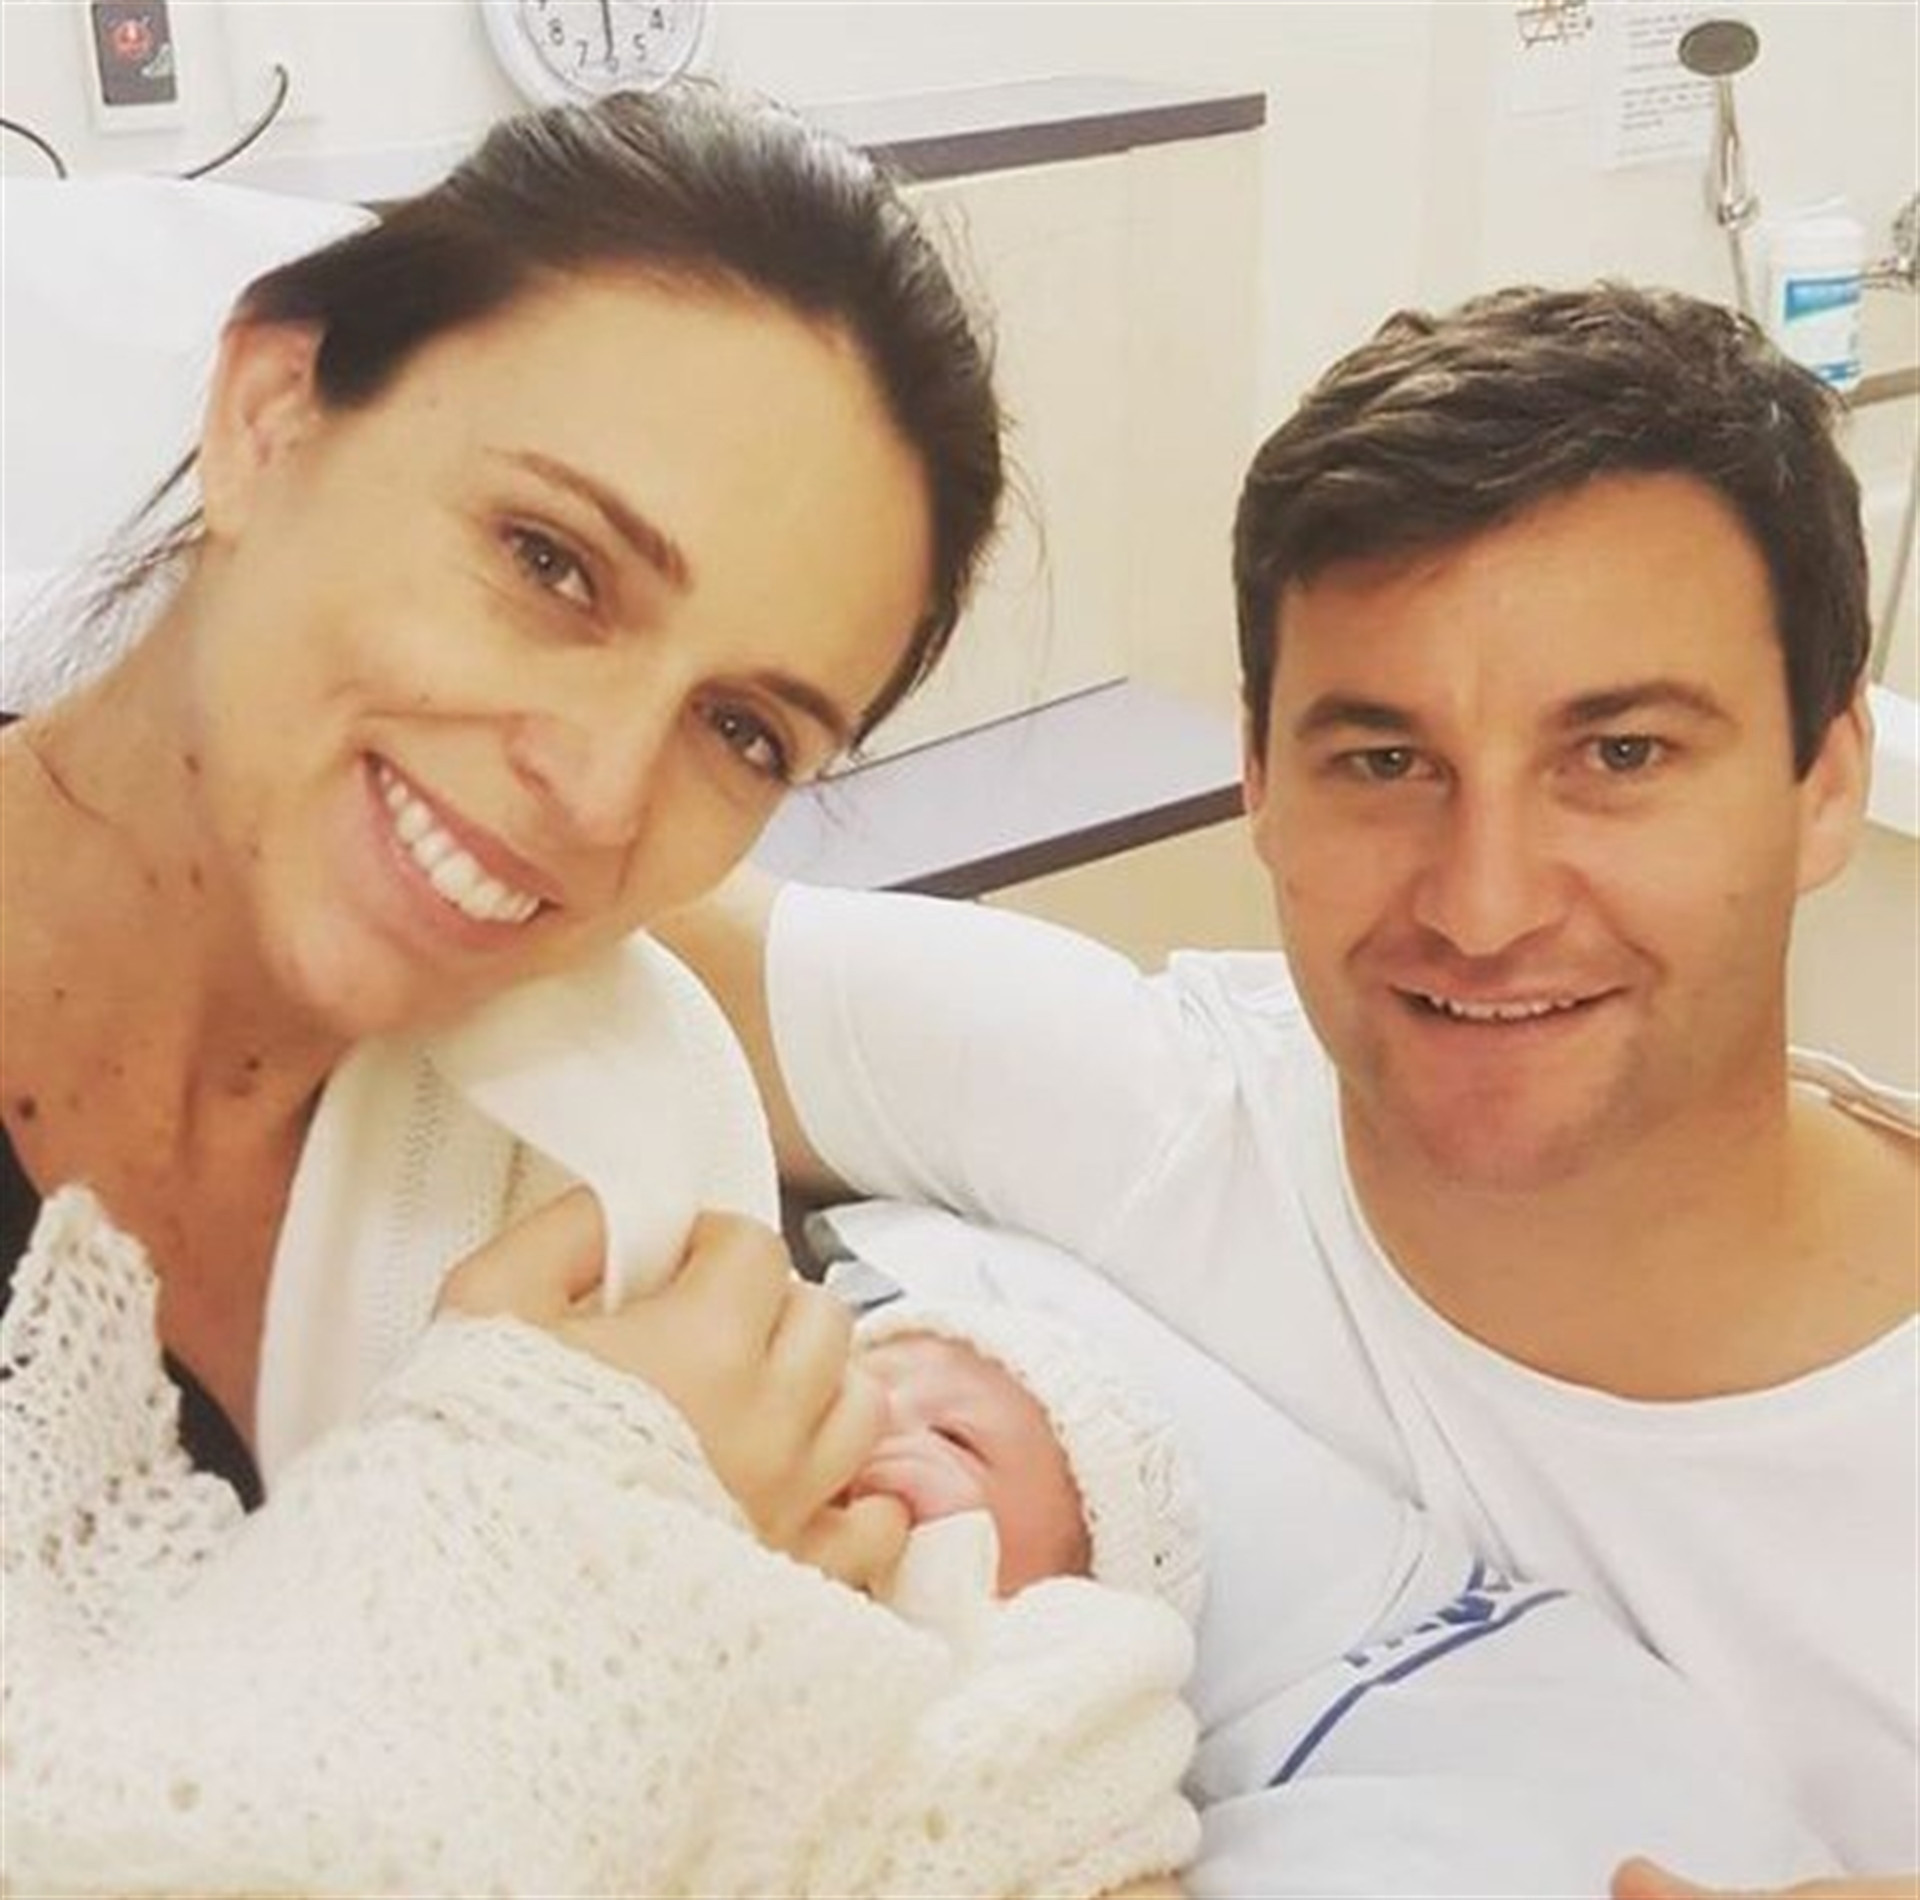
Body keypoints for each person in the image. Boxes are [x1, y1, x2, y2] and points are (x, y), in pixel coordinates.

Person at [656, 283, 1919, 1894]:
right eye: (1384, 763)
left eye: (1619, 757)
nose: (1484, 904)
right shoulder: (1151, 1112)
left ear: (1827, 782)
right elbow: (568, 883)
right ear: (1259, 779)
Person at [0, 77, 1005, 1567]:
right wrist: (532, 1554)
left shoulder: (630, 1124)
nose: (600, 796)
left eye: (742, 730)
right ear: (270, 420)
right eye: (551, 563)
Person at [2, 1187, 1203, 1896]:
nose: (869, 1424)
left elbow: (1065, 1779)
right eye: (852, 1386)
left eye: (958, 1437)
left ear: (1074, 1568)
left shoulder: (1040, 1650)